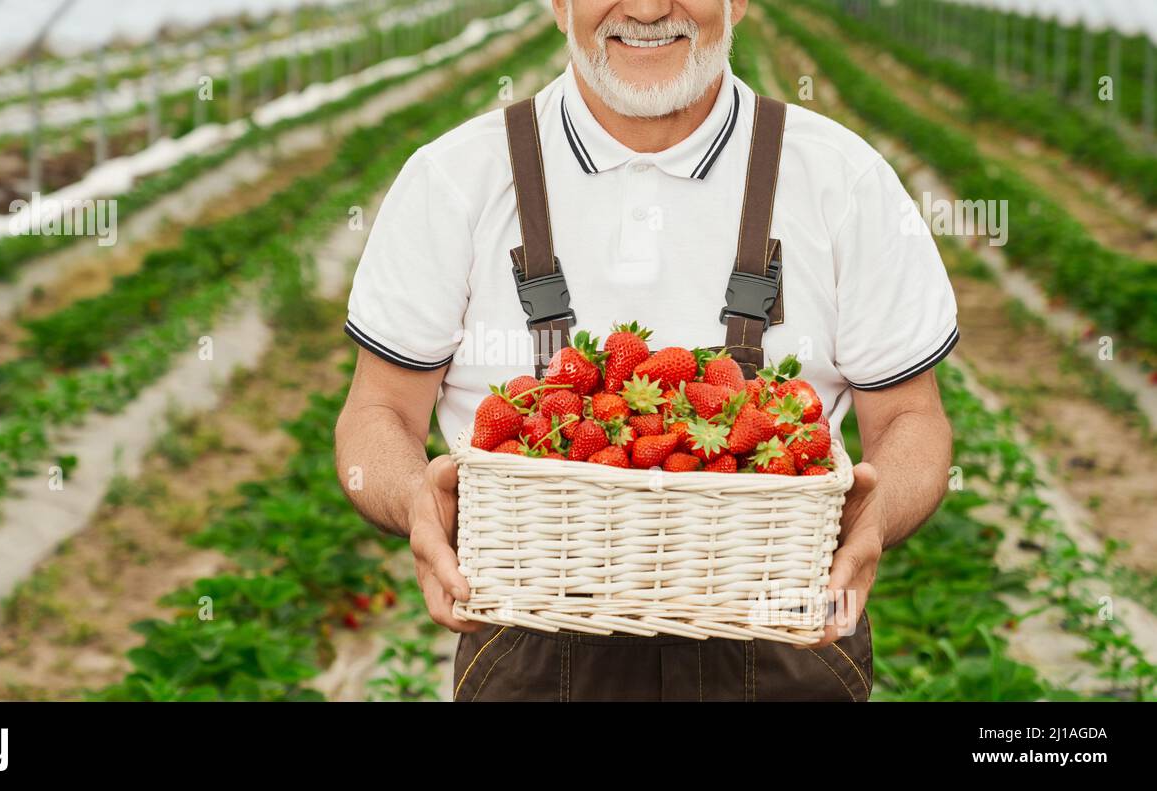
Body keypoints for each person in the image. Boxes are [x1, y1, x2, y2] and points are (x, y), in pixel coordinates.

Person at [334, 0, 955, 701]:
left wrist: (874, 519)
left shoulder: (844, 182)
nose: (651, 7)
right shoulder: (451, 181)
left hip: (781, 634)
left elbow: (912, 418)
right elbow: (376, 411)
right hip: (532, 641)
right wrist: (413, 497)